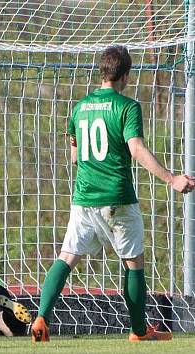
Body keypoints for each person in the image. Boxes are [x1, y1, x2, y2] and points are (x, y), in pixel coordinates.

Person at [31, 45, 195, 343]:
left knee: (66, 257)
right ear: (126, 75)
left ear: (102, 72)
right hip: (116, 197)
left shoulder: (80, 107)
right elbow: (135, 149)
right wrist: (171, 178)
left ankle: (42, 317)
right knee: (133, 262)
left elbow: (74, 155)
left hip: (84, 198)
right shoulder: (127, 107)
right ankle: (138, 330)